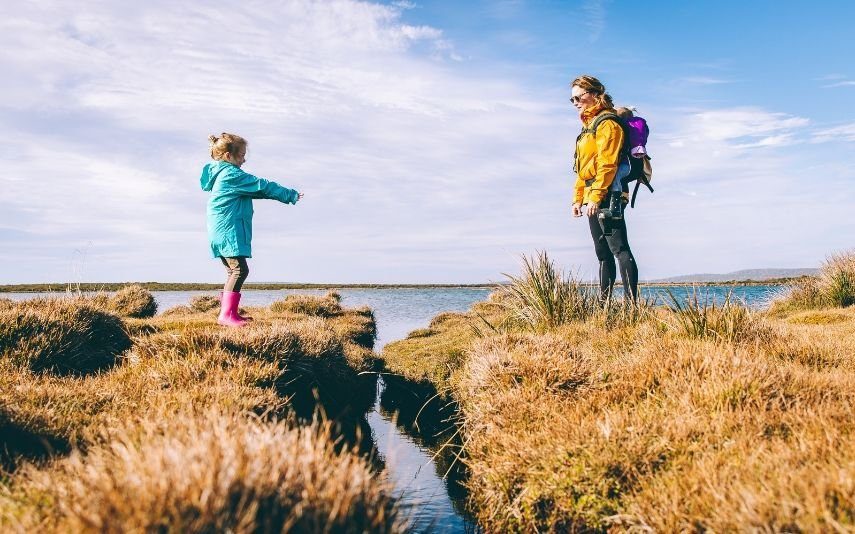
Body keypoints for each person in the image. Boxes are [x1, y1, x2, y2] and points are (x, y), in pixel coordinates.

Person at [200, 133, 303, 327]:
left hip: (220, 231)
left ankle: (230, 313)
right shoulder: (231, 174)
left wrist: (284, 196)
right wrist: (289, 194)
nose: (244, 159)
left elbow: (257, 192)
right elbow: (261, 186)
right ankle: (226, 315)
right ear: (228, 156)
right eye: (241, 156)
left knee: (233, 271)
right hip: (228, 230)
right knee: (239, 270)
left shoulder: (222, 174)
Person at [570, 76, 639, 303]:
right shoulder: (587, 127)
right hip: (593, 195)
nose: (575, 102)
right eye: (572, 100)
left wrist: (596, 197)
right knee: (602, 254)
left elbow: (607, 165)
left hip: (609, 192)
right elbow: (583, 169)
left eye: (578, 97)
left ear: (594, 94)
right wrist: (577, 199)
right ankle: (604, 306)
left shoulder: (607, 124)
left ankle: (632, 308)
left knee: (619, 248)